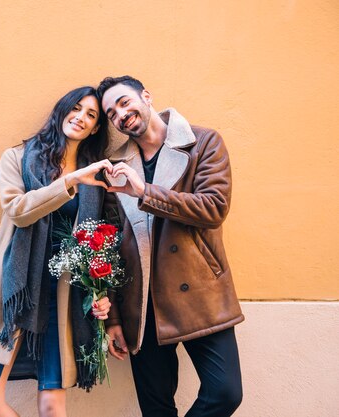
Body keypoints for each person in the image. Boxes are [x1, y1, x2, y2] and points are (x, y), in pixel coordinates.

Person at [97, 75, 244, 417]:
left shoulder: (202, 142)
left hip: (200, 295)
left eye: (123, 102)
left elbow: (213, 208)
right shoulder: (116, 166)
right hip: (141, 302)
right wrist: (114, 317)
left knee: (225, 392)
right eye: (111, 113)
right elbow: (111, 244)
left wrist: (145, 193)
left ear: (145, 97)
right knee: (156, 408)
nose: (120, 114)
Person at [0, 86, 114, 417]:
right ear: (61, 110)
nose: (81, 117)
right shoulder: (17, 158)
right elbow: (17, 210)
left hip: (64, 295)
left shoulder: (98, 178)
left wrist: (102, 294)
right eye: (76, 108)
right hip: (18, 290)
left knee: (52, 406)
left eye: (91, 115)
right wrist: (71, 180)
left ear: (95, 129)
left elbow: (98, 243)